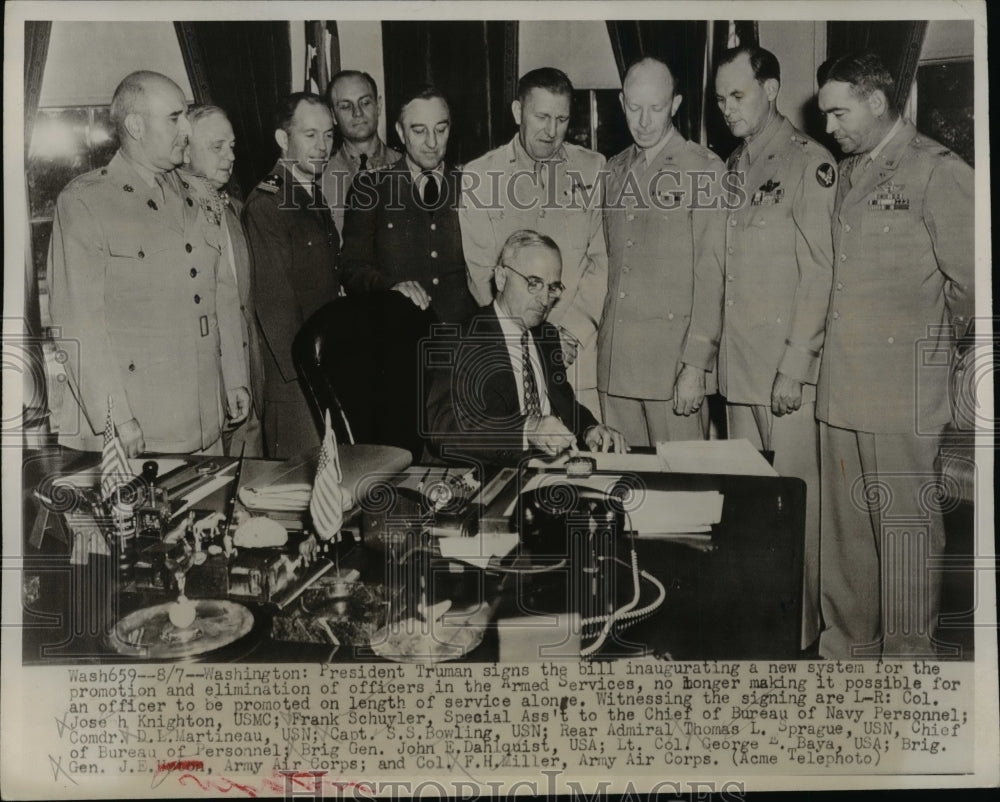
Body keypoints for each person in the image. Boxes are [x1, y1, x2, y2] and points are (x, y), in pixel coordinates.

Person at [815, 52, 974, 659]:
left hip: (902, 388)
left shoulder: (937, 170)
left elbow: (971, 284)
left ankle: (909, 665)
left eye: (839, 112)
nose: (830, 127)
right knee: (847, 540)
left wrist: (927, 349)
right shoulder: (852, 170)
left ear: (877, 101)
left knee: (905, 534)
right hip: (842, 386)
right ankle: (847, 654)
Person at [48, 70, 248, 456]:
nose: (187, 129)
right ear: (136, 126)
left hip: (206, 417)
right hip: (139, 424)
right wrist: (115, 419)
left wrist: (234, 377)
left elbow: (222, 292)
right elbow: (78, 323)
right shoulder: (86, 202)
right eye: (175, 118)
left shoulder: (201, 192)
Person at [714, 46, 836, 651]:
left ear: (770, 89)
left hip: (785, 375)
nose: (727, 109)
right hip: (739, 372)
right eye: (719, 99)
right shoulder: (733, 164)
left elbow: (819, 274)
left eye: (737, 96)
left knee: (797, 508)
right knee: (751, 509)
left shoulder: (808, 162)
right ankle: (760, 623)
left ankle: (802, 634)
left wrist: (796, 365)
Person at [459, 67, 608, 416]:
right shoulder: (480, 176)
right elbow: (481, 271)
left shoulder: (593, 169)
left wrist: (570, 332)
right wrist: (525, 339)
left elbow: (601, 260)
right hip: (513, 354)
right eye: (541, 116)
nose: (551, 131)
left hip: (577, 351)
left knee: (587, 452)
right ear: (517, 112)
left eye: (561, 119)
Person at [599, 57, 725, 446]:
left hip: (671, 369)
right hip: (616, 366)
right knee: (623, 492)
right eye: (634, 108)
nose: (644, 120)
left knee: (682, 495)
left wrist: (695, 366)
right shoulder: (613, 169)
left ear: (675, 104)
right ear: (621, 103)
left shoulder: (703, 168)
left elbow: (712, 274)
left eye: (656, 108)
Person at [426, 230, 626, 466]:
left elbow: (564, 403)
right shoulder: (462, 340)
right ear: (501, 278)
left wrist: (590, 429)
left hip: (550, 472)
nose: (544, 300)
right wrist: (526, 429)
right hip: (492, 475)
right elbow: (444, 428)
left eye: (552, 288)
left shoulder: (546, 335)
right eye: (534, 283)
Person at [243, 92, 340, 459]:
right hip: (296, 380)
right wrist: (310, 375)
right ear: (284, 140)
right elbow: (277, 307)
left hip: (320, 367)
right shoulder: (268, 203)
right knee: (301, 488)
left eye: (329, 135)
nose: (322, 147)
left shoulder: (309, 194)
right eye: (310, 135)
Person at [340, 86, 476, 323]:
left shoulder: (471, 185)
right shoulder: (371, 188)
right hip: (400, 335)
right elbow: (352, 269)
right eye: (419, 131)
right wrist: (391, 286)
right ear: (401, 133)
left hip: (462, 336)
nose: (432, 142)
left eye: (440, 129)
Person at [182, 104, 264, 457]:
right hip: (200, 383)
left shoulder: (233, 208)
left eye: (231, 147)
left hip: (246, 374)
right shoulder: (175, 215)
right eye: (217, 147)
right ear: (185, 149)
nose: (230, 156)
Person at [322, 70, 401, 237]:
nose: (357, 112)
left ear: (378, 106)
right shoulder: (320, 180)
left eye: (365, 103)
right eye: (345, 106)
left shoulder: (408, 168)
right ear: (333, 116)